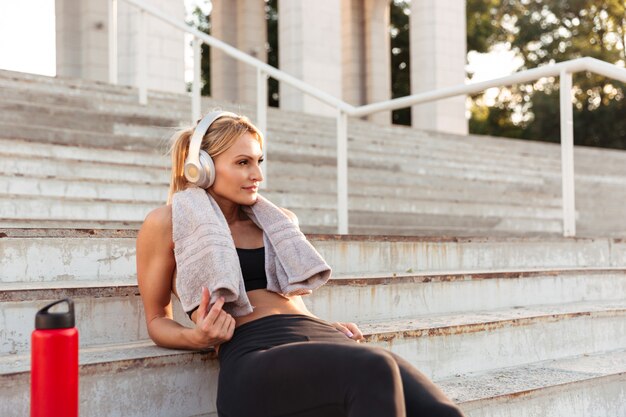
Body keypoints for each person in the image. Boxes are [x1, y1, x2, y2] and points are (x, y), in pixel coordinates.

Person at [136, 111, 465, 417]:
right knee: (373, 367)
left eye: (259, 161)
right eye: (243, 162)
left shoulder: (278, 222)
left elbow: (290, 301)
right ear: (202, 166)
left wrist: (321, 326)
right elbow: (155, 319)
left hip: (319, 338)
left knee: (442, 412)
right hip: (254, 354)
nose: (257, 175)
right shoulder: (168, 223)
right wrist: (197, 338)